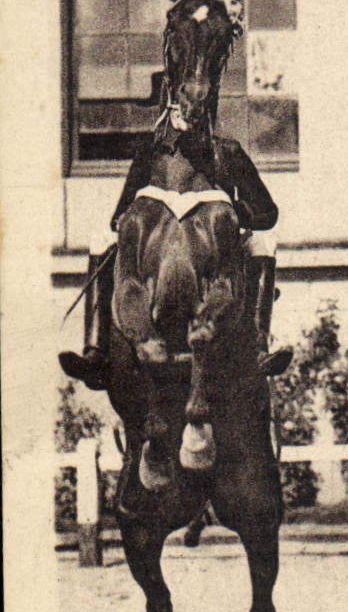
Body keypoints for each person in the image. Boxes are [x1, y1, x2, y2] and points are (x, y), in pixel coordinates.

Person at [60, 44, 288, 391]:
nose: (189, 118)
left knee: (265, 243)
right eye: (182, 107)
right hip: (153, 252)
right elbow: (118, 216)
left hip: (223, 255)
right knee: (100, 241)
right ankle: (96, 351)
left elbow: (269, 214)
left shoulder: (228, 152)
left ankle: (259, 347)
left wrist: (241, 214)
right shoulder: (151, 151)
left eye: (198, 109)